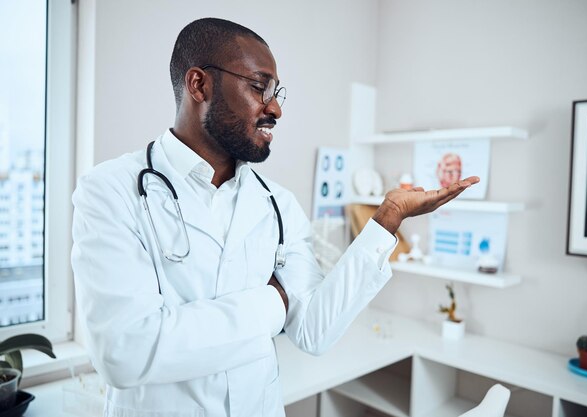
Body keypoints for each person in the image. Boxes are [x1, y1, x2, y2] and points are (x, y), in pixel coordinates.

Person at [71, 18, 479, 417]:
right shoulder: (110, 191)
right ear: (199, 85)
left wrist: (387, 219)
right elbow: (124, 353)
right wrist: (272, 303)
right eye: (259, 87)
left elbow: (314, 330)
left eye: (277, 91)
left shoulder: (276, 203)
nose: (276, 108)